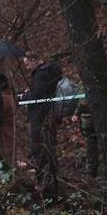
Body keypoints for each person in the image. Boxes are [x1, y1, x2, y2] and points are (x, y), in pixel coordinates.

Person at [26, 53, 64, 197]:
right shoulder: (50, 71)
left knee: (39, 146)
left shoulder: (41, 74)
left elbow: (38, 95)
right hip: (49, 113)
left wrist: (25, 96)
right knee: (47, 145)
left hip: (41, 115)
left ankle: (42, 179)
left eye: (28, 64)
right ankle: (48, 177)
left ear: (35, 60)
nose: (28, 67)